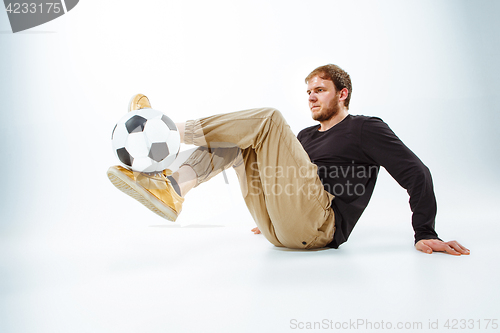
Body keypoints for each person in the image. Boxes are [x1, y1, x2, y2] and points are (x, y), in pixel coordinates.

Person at [107, 64, 469, 255]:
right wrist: (275, 210)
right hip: (279, 228)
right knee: (239, 141)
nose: (312, 97)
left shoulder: (365, 128)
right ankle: (172, 187)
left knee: (267, 119)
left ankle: (167, 130)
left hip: (320, 226)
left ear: (342, 94)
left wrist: (425, 232)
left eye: (320, 90)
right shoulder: (307, 137)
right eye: (309, 91)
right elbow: (287, 180)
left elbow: (416, 172)